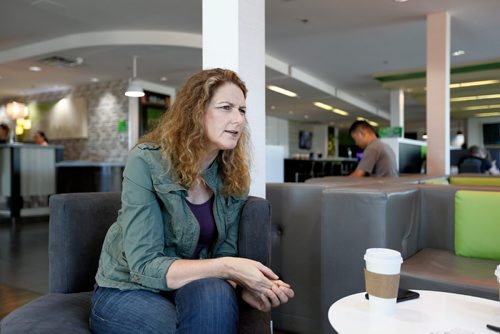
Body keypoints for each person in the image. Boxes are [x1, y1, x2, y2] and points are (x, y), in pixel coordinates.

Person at [90, 68, 294, 334]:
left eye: (242, 110)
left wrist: (242, 290)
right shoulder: (146, 161)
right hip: (127, 287)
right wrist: (230, 268)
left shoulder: (233, 176)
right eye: (226, 107)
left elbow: (223, 253)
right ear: (195, 112)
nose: (239, 119)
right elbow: (143, 265)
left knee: (216, 297)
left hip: (189, 283)